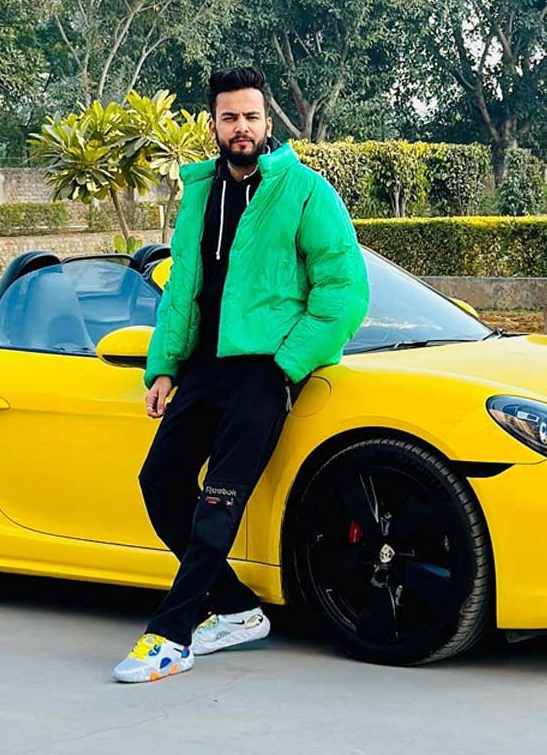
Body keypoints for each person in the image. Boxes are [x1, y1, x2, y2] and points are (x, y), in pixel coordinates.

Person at [111, 65, 369, 684]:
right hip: (204, 368)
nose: (241, 127)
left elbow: (343, 289)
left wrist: (286, 365)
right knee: (160, 483)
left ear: (267, 121)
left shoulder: (305, 191)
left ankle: (170, 634)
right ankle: (234, 608)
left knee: (219, 501)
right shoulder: (200, 192)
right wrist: (165, 367)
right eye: (230, 117)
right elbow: (184, 291)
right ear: (214, 125)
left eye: (251, 116)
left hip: (265, 369)